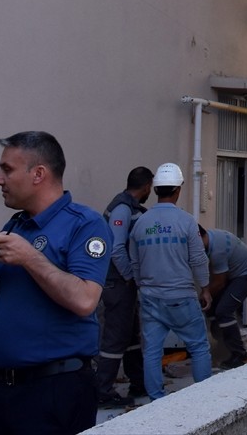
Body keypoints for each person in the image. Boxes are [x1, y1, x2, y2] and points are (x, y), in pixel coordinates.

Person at [0, 132, 111, 435]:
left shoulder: (85, 224)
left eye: (7, 169)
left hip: (55, 390)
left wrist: (29, 257)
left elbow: (85, 300)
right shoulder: (15, 226)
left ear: (38, 174)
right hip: (3, 389)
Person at [127, 163, 212, 401]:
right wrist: (205, 288)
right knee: (198, 346)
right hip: (181, 297)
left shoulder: (140, 224)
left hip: (150, 298)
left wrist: (142, 287)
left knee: (152, 352)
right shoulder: (186, 222)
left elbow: (135, 263)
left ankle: (156, 399)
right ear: (178, 190)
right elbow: (198, 259)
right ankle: (205, 398)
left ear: (155, 190)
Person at [95, 166, 152, 406]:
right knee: (116, 337)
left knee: (130, 336)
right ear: (147, 187)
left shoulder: (129, 207)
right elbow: (116, 247)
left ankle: (138, 383)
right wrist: (131, 277)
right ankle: (102, 391)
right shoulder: (122, 208)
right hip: (117, 283)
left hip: (122, 283)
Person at [198, 225, 247, 369]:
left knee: (224, 311)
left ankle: (240, 356)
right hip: (233, 275)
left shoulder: (217, 248)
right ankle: (223, 348)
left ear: (199, 236)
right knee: (213, 309)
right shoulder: (210, 239)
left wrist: (203, 295)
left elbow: (219, 282)